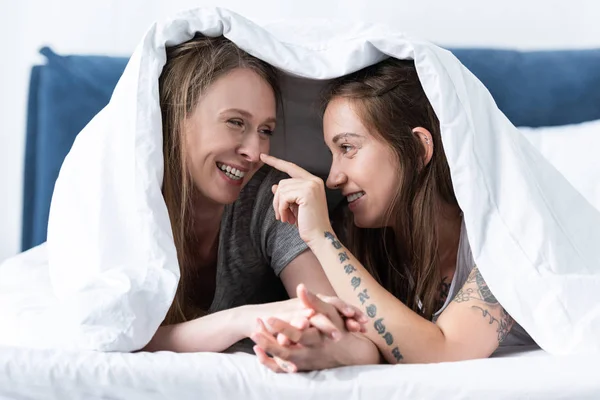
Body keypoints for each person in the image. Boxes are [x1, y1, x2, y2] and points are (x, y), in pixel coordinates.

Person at [252, 57, 535, 370]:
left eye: (347, 148)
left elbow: (444, 354)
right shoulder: (362, 238)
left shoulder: (507, 232)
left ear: (416, 148)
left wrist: (322, 237)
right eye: (331, 154)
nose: (333, 178)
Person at [140, 34, 378, 363]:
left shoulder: (272, 197)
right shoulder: (130, 201)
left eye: (265, 131)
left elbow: (354, 339)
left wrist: (315, 342)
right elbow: (120, 332)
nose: (254, 152)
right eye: (235, 122)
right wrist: (242, 320)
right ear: (175, 119)